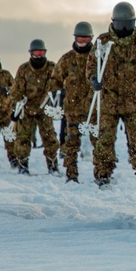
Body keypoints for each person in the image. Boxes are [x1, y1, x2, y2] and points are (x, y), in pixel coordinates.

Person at [87, 2, 136, 188]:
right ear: (113, 23)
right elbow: (91, 66)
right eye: (120, 25)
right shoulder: (103, 42)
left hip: (135, 103)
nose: (124, 29)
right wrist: (93, 79)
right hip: (108, 102)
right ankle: (103, 175)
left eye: (127, 25)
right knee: (104, 142)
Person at [48, 22, 96, 183]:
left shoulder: (98, 57)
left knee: (101, 144)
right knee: (71, 145)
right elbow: (55, 80)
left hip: (94, 109)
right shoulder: (67, 59)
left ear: (90, 38)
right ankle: (71, 175)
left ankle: (103, 176)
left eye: (85, 38)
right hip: (73, 110)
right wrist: (55, 95)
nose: (82, 41)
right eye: (79, 38)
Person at [9, 39, 58, 175]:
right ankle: (22, 164)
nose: (38, 56)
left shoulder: (52, 68)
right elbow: (16, 90)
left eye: (41, 52)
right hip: (26, 109)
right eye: (36, 53)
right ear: (30, 53)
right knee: (23, 138)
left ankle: (52, 165)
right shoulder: (23, 69)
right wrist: (15, 109)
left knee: (50, 138)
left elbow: (59, 84)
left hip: (44, 108)